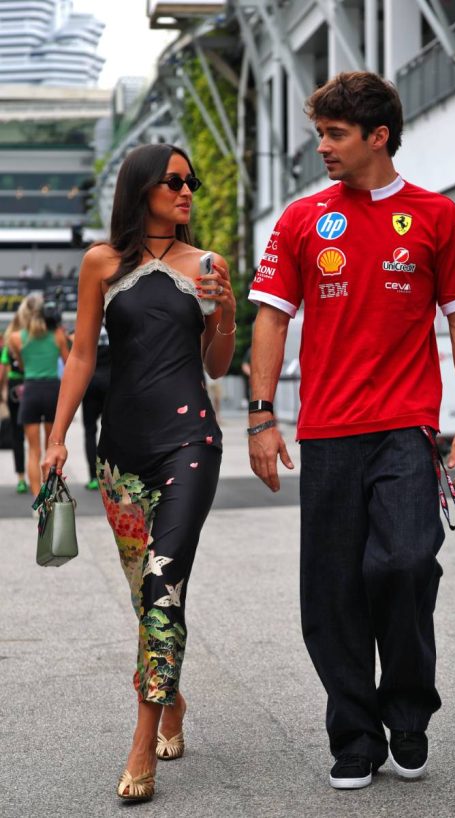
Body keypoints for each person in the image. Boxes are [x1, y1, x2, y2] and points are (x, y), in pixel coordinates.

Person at [247, 71, 455, 790]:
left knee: (406, 563)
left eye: (334, 134)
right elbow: (270, 318)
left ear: (377, 137)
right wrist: (261, 417)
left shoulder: (436, 216)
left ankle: (407, 713)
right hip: (325, 433)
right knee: (331, 592)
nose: (320, 146)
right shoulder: (300, 219)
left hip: (406, 430)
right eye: (319, 132)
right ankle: (354, 734)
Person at [41, 143, 236, 803]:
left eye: (191, 182)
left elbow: (216, 364)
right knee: (142, 594)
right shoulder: (101, 262)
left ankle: (142, 734)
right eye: (174, 181)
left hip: (190, 441)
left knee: (162, 588)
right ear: (143, 188)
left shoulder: (208, 265)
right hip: (120, 450)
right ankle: (172, 697)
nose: (187, 192)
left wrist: (225, 312)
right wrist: (59, 439)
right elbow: (80, 359)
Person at [9, 294, 69, 498]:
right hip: (53, 390)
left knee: (33, 451)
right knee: (50, 449)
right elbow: (69, 365)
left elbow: (23, 366)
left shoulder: (16, 338)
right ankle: (50, 495)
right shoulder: (58, 334)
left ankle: (37, 500)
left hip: (31, 391)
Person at [0, 305, 29, 493]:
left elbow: (3, 370)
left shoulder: (10, 342)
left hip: (13, 390)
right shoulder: (32, 339)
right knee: (35, 437)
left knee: (17, 435)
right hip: (32, 387)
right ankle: (41, 475)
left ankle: (20, 478)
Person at [81, 324, 110, 490]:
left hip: (91, 382)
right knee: (111, 431)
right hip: (111, 382)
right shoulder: (115, 323)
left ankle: (93, 477)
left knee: (89, 430)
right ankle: (109, 477)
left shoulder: (89, 327)